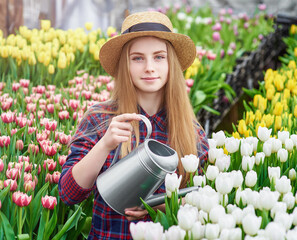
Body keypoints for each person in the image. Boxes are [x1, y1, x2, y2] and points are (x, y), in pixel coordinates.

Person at [58, 11, 209, 239]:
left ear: (171, 64)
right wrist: (104, 145)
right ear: (125, 65)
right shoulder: (100, 118)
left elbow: (204, 200)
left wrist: (154, 206)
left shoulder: (190, 130)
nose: (149, 67)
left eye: (159, 57)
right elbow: (68, 194)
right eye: (137, 58)